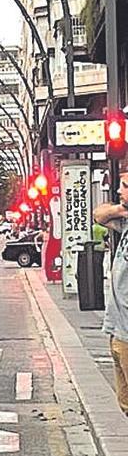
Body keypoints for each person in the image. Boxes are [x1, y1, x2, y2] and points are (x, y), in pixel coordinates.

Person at [96, 175, 128, 417]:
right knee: (125, 403)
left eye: (125, 186)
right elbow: (99, 214)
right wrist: (122, 209)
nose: (118, 189)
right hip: (119, 329)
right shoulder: (125, 222)